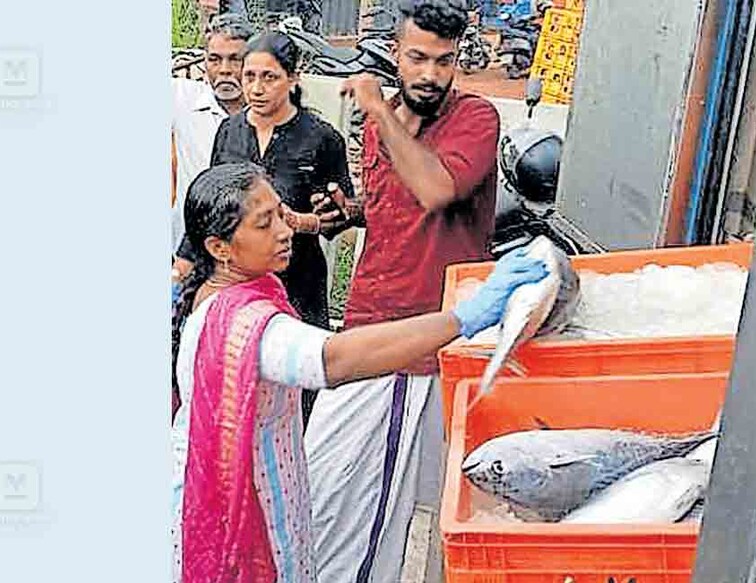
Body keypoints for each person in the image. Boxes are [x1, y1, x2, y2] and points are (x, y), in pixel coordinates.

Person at [170, 162, 546, 583]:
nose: (284, 230)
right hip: (247, 506)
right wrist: (461, 319)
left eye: (280, 212)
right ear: (219, 248)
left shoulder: (215, 293)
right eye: (264, 224)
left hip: (236, 483)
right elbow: (335, 358)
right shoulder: (246, 325)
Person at [302, 1, 501, 580]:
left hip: (422, 347)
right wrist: (351, 213)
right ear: (396, 53)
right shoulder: (384, 118)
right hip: (369, 325)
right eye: (417, 58)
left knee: (382, 507)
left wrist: (377, 113)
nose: (430, 74)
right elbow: (401, 204)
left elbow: (437, 189)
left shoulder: (476, 118)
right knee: (334, 498)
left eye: (444, 60)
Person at [178, 31, 355, 426]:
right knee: (232, 397)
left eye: (269, 77)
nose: (256, 89)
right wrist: (183, 267)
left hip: (297, 281)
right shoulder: (230, 131)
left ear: (294, 78)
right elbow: (212, 205)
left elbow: (343, 215)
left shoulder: (321, 139)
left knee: (295, 393)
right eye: (250, 76)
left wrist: (305, 222)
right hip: (235, 281)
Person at [172, 12, 254, 266]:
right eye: (214, 59)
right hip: (187, 255)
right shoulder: (182, 99)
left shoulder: (269, 114)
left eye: (235, 60)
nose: (224, 70)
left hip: (249, 256)